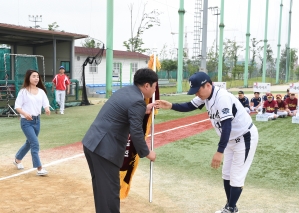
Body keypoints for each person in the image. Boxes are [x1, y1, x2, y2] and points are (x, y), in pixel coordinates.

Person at [156, 72, 259, 213]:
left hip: (245, 137)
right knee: (227, 174)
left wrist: (220, 151)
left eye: (198, 90)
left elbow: (227, 125)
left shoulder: (221, 97)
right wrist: (171, 105)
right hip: (230, 139)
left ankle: (230, 209)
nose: (196, 94)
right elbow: (189, 106)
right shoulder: (206, 95)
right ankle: (231, 208)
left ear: (208, 85)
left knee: (236, 176)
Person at [82, 68, 157, 213]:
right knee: (109, 192)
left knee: (102, 191)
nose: (155, 90)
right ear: (147, 86)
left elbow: (125, 108)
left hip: (93, 144)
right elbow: (136, 132)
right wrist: (147, 153)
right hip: (104, 149)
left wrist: (143, 108)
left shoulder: (127, 91)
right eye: (154, 86)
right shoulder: (137, 101)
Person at [13, 70, 50, 176]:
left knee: (29, 143)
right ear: (28, 78)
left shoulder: (41, 91)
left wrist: (47, 109)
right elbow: (17, 107)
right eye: (34, 76)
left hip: (37, 121)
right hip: (26, 122)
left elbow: (45, 103)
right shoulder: (23, 92)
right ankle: (39, 168)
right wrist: (25, 114)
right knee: (34, 143)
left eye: (37, 76)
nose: (36, 78)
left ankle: (17, 159)